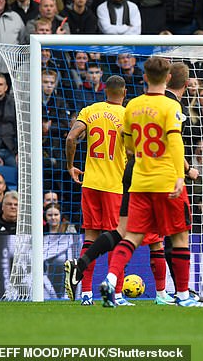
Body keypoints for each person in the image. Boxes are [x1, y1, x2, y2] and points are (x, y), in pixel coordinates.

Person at [98, 56, 203, 308]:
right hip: (167, 182)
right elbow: (176, 142)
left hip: (140, 182)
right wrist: (180, 175)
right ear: (167, 78)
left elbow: (128, 143)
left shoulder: (132, 105)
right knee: (179, 237)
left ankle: (111, 280)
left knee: (132, 236)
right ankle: (184, 297)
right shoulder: (171, 107)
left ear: (144, 77)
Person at [63, 75, 127, 305]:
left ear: (105, 90)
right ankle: (116, 293)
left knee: (90, 238)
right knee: (115, 239)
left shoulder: (90, 110)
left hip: (90, 184)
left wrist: (70, 166)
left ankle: (87, 294)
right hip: (114, 186)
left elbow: (71, 137)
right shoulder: (126, 115)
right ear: (124, 92)